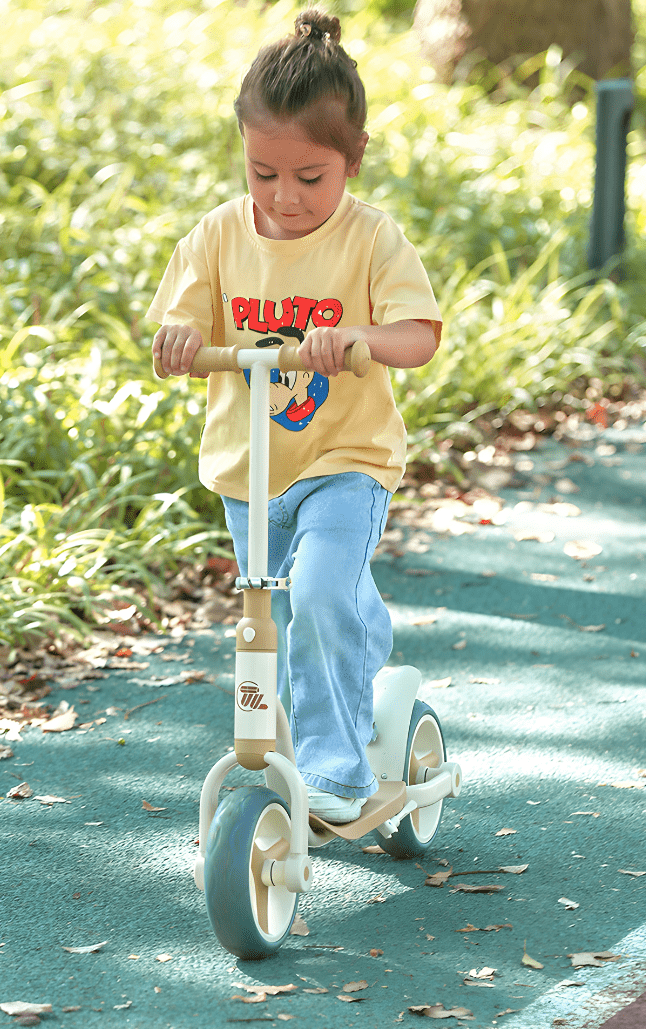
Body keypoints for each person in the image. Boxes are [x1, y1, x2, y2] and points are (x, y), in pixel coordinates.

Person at [148, 7, 441, 823]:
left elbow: (418, 336)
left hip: (344, 460)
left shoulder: (372, 240)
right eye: (262, 173)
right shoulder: (213, 239)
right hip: (250, 471)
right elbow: (181, 321)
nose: (284, 197)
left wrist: (358, 337)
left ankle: (334, 765)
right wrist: (177, 340)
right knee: (266, 619)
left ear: (353, 160)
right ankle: (351, 623)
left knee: (313, 596)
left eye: (310, 178)